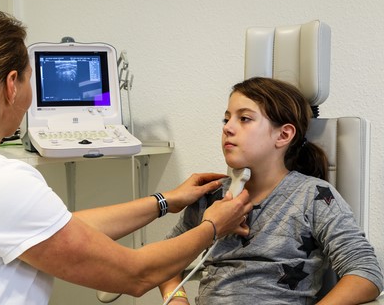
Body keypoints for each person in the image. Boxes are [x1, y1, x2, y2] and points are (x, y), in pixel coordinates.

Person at [0, 10, 254, 304]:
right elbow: (136, 274)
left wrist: (166, 200)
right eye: (29, 78)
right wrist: (213, 226)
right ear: (12, 85)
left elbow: (57, 229)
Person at [159, 77, 383, 304]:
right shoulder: (210, 197)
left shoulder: (313, 196)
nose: (227, 127)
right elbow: (163, 260)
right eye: (226, 119)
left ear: (283, 135)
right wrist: (176, 298)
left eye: (244, 119)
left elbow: (366, 273)